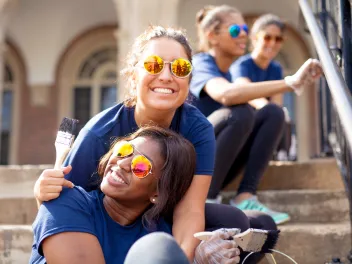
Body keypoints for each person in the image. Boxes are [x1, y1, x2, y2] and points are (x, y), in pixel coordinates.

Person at [34, 25, 277, 263]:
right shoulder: (98, 133)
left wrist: (183, 258)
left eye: (180, 68)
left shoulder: (197, 128)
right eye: (153, 65)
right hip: (102, 223)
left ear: (189, 79)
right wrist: (42, 192)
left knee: (241, 222)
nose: (166, 76)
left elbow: (190, 208)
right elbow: (58, 202)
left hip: (155, 211)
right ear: (132, 76)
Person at [190, 5, 322, 225]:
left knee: (273, 112)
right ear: (212, 36)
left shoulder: (230, 69)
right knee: (240, 113)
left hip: (220, 163)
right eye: (234, 30)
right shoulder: (201, 63)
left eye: (243, 28)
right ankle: (208, 200)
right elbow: (225, 94)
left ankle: (245, 196)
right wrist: (291, 82)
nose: (243, 34)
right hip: (192, 166)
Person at [30, 126, 197, 263]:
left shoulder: (158, 238)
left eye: (140, 166)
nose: (122, 163)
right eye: (125, 150)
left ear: (158, 193)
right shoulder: (66, 201)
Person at [229, 14, 294, 161]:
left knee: (282, 116)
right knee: (275, 113)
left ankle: (281, 156)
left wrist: (277, 113)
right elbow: (244, 90)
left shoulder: (276, 68)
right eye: (267, 37)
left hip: (264, 122)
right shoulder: (241, 65)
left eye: (278, 39)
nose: (272, 43)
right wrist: (270, 110)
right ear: (254, 38)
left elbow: (277, 101)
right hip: (242, 123)